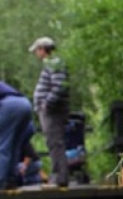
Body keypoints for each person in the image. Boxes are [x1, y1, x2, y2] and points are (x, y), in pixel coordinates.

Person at [29, 36, 70, 188]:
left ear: (42, 49)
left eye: (37, 50)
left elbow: (59, 87)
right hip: (50, 111)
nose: (36, 54)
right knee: (53, 142)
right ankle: (58, 176)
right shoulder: (51, 64)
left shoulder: (55, 63)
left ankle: (59, 177)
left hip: (53, 112)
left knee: (55, 143)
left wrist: (46, 104)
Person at [0, 80, 34, 189]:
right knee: (14, 146)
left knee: (2, 145)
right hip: (25, 104)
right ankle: (12, 179)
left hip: (10, 106)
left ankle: (1, 181)